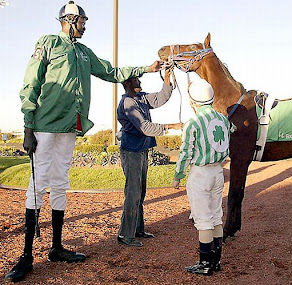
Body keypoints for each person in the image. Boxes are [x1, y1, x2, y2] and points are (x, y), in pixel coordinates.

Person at [5, 1, 161, 283]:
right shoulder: (49, 42)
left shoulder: (84, 52)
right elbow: (31, 83)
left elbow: (111, 72)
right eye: (83, 21)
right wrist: (27, 126)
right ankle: (26, 256)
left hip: (69, 127)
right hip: (43, 126)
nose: (85, 26)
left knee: (61, 182)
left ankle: (56, 248)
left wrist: (147, 68)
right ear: (71, 19)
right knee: (38, 184)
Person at [117, 68, 183, 247]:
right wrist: (171, 126)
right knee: (133, 192)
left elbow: (161, 97)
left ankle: (137, 230)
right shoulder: (128, 103)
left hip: (141, 149)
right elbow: (144, 127)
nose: (140, 82)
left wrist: (167, 78)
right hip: (131, 151)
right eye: (137, 80)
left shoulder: (141, 98)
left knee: (141, 190)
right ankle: (125, 235)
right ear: (128, 83)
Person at [172, 79, 231, 276]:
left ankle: (205, 264)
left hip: (201, 174)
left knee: (203, 220)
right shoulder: (223, 119)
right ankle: (216, 262)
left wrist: (178, 176)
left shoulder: (193, 123)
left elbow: (185, 153)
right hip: (218, 172)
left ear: (193, 101)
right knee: (216, 217)